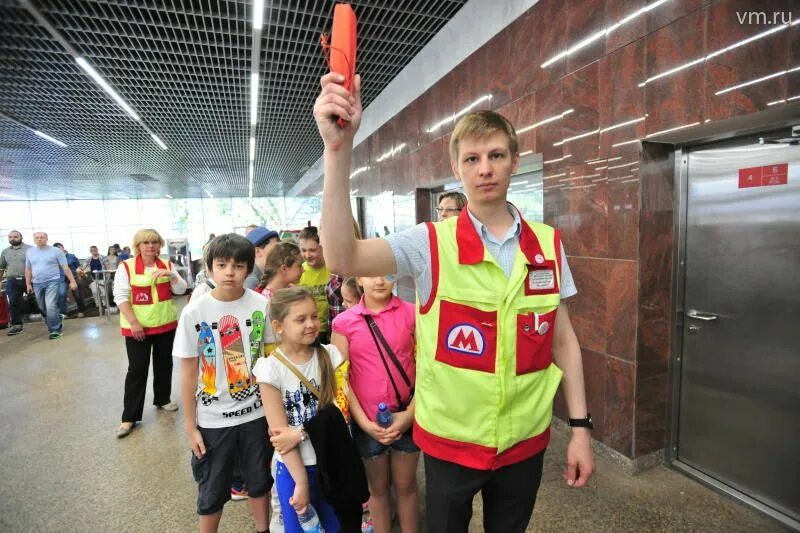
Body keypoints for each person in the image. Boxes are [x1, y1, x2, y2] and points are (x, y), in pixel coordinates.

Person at [314, 73, 595, 532]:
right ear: (458, 169)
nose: (485, 168)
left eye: (496, 156)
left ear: (514, 162)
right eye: (473, 158)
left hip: (524, 444)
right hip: (449, 444)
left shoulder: (547, 245)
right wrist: (337, 151)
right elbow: (342, 257)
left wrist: (581, 429)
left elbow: (563, 342)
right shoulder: (430, 244)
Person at [174, 233, 272, 533]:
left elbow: (270, 361)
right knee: (212, 488)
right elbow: (188, 373)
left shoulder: (261, 305)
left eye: (238, 265)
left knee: (259, 481)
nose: (230, 272)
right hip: (213, 420)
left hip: (256, 414)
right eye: (222, 265)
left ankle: (262, 528)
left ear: (249, 268)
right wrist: (191, 428)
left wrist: (274, 415)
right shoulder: (195, 312)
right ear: (210, 268)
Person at [253, 287, 347, 533]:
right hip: (294, 468)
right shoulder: (270, 370)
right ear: (279, 326)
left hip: (330, 460)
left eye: (314, 316)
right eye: (300, 319)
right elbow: (280, 434)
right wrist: (301, 481)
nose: (311, 324)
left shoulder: (328, 356)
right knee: (300, 528)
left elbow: (339, 411)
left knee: (335, 525)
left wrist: (302, 432)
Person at [331, 275, 419, 533]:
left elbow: (428, 369)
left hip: (407, 415)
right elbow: (341, 378)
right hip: (366, 420)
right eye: (371, 274)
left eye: (387, 274)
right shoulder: (344, 323)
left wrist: (410, 415)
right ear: (359, 278)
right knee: (377, 490)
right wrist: (364, 424)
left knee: (407, 485)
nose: (379, 281)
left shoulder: (413, 314)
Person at [114, 229, 186, 438]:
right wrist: (134, 322)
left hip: (165, 325)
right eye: (146, 242)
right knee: (137, 370)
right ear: (138, 245)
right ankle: (129, 417)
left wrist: (171, 276)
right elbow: (120, 297)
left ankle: (162, 398)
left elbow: (181, 289)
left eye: (154, 242)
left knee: (164, 364)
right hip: (138, 328)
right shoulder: (126, 267)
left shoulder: (167, 265)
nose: (151, 246)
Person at [24, 232, 78, 340]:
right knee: (41, 306)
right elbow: (28, 268)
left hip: (52, 281)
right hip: (37, 283)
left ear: (46, 239)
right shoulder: (30, 252)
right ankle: (56, 319)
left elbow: (65, 267)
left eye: (42, 237)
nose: (39, 239)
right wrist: (28, 283)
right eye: (37, 238)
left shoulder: (56, 251)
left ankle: (55, 330)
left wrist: (72, 281)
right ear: (34, 239)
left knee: (50, 305)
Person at [297, 226, 332, 345]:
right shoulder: (298, 272)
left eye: (312, 250)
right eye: (303, 250)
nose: (307, 255)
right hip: (309, 330)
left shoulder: (333, 269)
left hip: (330, 328)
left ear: (322, 247)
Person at [1, 230, 32, 336]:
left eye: (15, 236)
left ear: (21, 237)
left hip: (29, 279)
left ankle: (50, 321)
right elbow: (1, 267)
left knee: (40, 300)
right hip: (12, 280)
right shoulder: (5, 251)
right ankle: (17, 325)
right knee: (13, 302)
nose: (12, 239)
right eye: (10, 237)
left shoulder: (30, 249)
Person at [53, 243, 86, 318]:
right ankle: (64, 313)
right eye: (55, 248)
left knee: (77, 294)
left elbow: (78, 266)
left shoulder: (71, 256)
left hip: (74, 277)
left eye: (59, 247)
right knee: (62, 294)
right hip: (62, 278)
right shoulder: (54, 258)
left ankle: (81, 310)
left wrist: (79, 270)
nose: (57, 249)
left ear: (62, 247)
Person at [244, 226, 280, 291]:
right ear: (257, 252)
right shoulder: (252, 281)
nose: (279, 253)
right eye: (275, 249)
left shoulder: (262, 275)